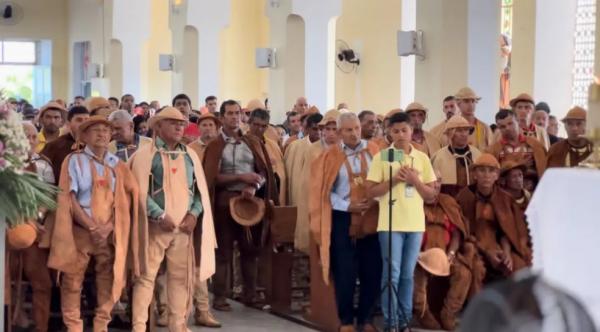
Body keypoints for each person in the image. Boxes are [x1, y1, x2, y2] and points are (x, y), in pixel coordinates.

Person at [48, 116, 142, 332]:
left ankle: (102, 324)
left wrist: (108, 226)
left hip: (108, 233)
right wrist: (91, 226)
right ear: (85, 136)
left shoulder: (117, 164)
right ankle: (74, 326)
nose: (101, 134)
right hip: (80, 232)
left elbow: (125, 199)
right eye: (95, 130)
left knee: (107, 279)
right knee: (72, 281)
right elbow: (68, 198)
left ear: (111, 135)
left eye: (105, 131)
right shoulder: (73, 160)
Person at [130, 107, 216, 331]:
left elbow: (199, 193)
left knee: (181, 279)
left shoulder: (190, 155)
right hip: (154, 228)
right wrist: (158, 214)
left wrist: (194, 214)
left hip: (183, 229)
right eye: (172, 123)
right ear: (158, 126)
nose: (180, 127)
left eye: (182, 123)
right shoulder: (144, 155)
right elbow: (138, 192)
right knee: (146, 278)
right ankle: (139, 326)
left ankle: (177, 325)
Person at [202, 100, 278, 311]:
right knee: (224, 252)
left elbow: (264, 172)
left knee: (250, 249)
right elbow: (211, 178)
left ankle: (250, 294)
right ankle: (219, 297)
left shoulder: (252, 142)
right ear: (222, 117)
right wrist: (241, 176)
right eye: (230, 113)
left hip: (250, 202)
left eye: (237, 113)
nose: (235, 117)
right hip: (224, 202)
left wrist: (254, 186)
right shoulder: (215, 145)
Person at [309, 112, 382, 332]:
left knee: (373, 270)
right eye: (349, 130)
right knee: (345, 272)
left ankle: (366, 319)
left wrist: (373, 200)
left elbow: (386, 181)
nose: (354, 133)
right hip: (343, 219)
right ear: (339, 133)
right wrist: (346, 205)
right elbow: (323, 192)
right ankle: (347, 321)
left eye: (357, 128)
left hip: (372, 217)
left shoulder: (375, 151)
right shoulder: (328, 157)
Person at [366, 112, 437, 331]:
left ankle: (405, 320)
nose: (400, 135)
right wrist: (395, 179)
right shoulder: (383, 156)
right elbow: (371, 191)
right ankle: (391, 322)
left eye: (404, 130)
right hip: (390, 225)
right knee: (392, 274)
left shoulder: (422, 158)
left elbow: (431, 195)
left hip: (415, 225)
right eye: (395, 131)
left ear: (411, 131)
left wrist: (415, 180)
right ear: (388, 132)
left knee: (407, 275)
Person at [414, 170, 480, 331]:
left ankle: (448, 313)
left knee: (464, 273)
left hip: (446, 254)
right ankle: (423, 314)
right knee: (417, 278)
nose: (436, 184)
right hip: (420, 256)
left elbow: (458, 232)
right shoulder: (414, 201)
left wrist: (451, 253)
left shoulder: (448, 202)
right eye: (432, 180)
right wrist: (417, 255)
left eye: (439, 180)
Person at [456, 154, 532, 284]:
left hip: (500, 247)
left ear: (497, 175)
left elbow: (508, 231)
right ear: (474, 174)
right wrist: (486, 251)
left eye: (491, 171)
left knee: (519, 266)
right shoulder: (464, 197)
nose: (486, 175)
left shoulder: (505, 199)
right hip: (474, 247)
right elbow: (464, 232)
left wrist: (507, 253)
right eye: (481, 170)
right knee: (477, 269)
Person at [15, 122, 55, 332]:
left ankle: (41, 326)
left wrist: (37, 218)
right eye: (24, 136)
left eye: (32, 137)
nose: (30, 141)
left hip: (36, 230)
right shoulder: (6, 164)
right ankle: (12, 318)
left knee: (42, 283)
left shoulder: (43, 164)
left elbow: (49, 196)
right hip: (8, 228)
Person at [488, 109, 546, 191]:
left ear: (518, 121)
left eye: (510, 123)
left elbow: (543, 172)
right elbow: (490, 175)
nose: (507, 128)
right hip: (504, 196)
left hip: (531, 194)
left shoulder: (534, 144)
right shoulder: (494, 149)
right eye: (502, 126)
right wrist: (521, 165)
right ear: (498, 128)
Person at [431, 115, 482, 197]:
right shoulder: (438, 157)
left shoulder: (478, 154)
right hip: (448, 203)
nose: (464, 134)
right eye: (459, 130)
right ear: (450, 134)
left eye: (466, 130)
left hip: (474, 202)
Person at [248, 108, 288, 206]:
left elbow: (281, 173)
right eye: (256, 125)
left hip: (273, 195)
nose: (259, 129)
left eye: (263, 126)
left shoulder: (273, 145)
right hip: (251, 195)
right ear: (249, 123)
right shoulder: (242, 143)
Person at [40, 106, 90, 183]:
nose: (84, 124)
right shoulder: (54, 146)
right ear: (68, 123)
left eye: (87, 120)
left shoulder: (95, 146)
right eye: (79, 120)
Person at [284, 112, 323, 207]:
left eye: (321, 129)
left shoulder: (329, 149)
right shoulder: (294, 147)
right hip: (297, 199)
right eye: (314, 129)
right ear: (307, 129)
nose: (318, 132)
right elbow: (286, 176)